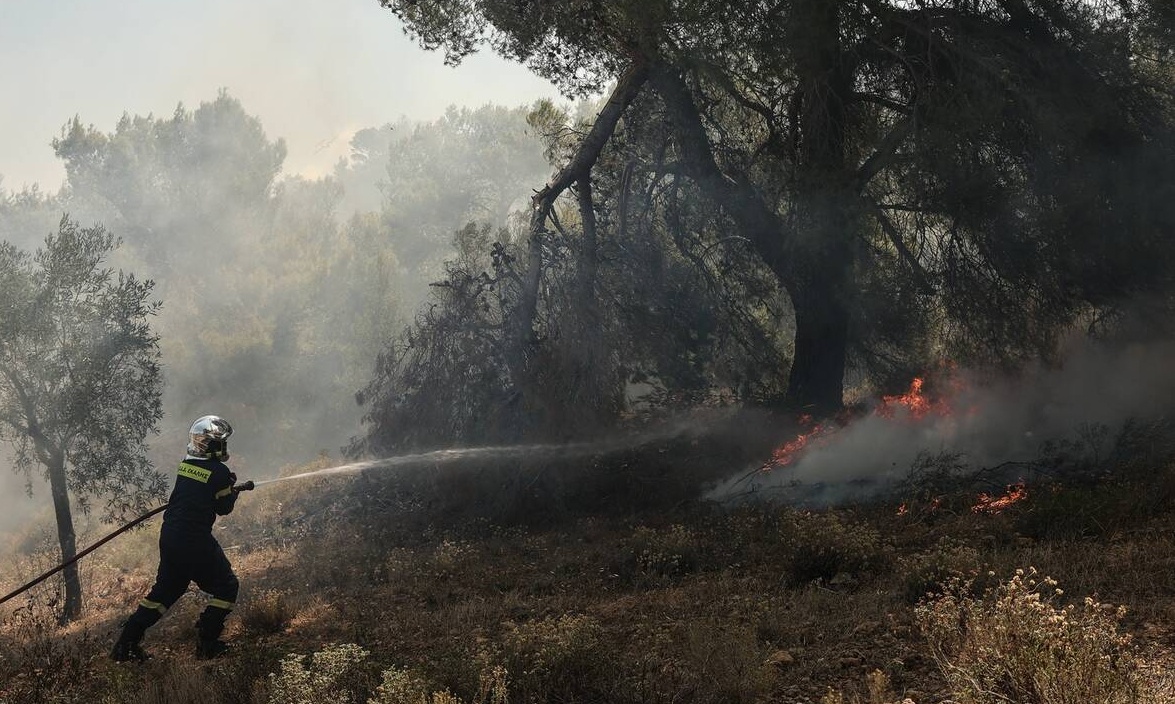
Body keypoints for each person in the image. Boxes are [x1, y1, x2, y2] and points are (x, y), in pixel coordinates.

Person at [111, 415, 243, 662]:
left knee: (165, 592)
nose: (224, 446)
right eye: (221, 442)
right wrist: (231, 491)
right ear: (212, 445)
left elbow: (199, 492)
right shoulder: (219, 472)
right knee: (227, 586)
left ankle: (125, 645)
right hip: (194, 540)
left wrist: (226, 487)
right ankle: (207, 644)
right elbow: (223, 508)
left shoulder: (187, 465)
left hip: (171, 537)